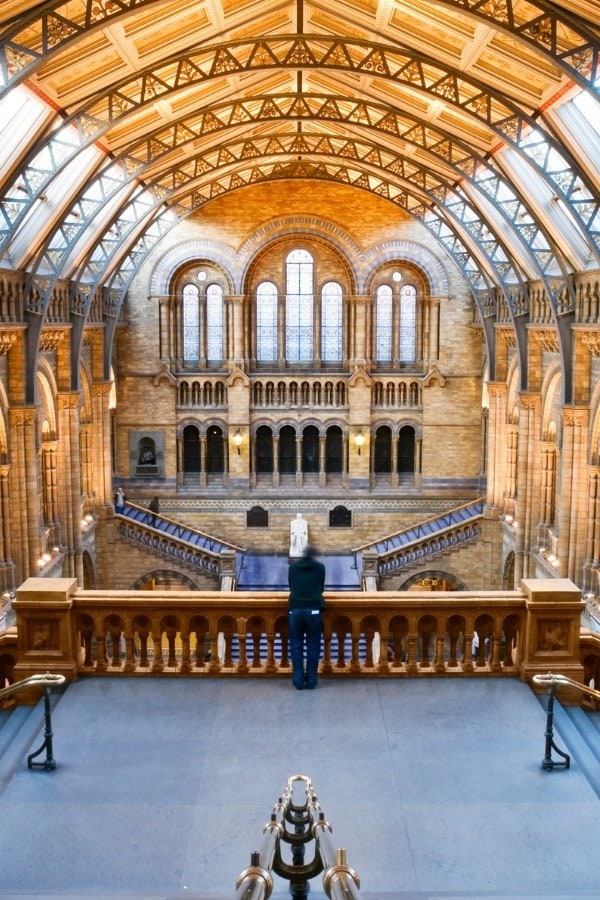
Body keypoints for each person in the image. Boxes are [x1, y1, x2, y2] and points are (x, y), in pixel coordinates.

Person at [288, 545, 325, 690]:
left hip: (295, 609)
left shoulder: (293, 567)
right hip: (314, 610)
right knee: (313, 645)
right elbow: (321, 588)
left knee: (296, 645)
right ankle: (311, 681)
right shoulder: (320, 567)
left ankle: (298, 681)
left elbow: (291, 586)